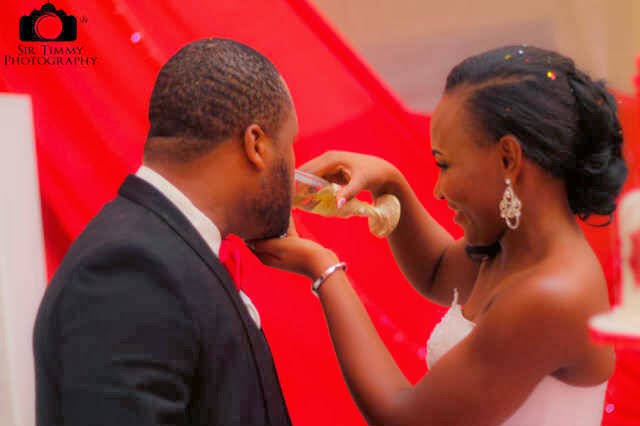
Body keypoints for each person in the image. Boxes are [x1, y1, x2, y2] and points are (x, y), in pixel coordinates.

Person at [253, 45, 627, 426]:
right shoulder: (513, 246)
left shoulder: (551, 296)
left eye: (445, 164)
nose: (438, 189)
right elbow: (437, 271)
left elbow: (403, 418)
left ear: (508, 159)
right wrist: (389, 183)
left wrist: (324, 270)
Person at [33, 38, 297, 426]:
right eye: (290, 145)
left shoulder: (168, 247)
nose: (295, 169)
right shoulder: (128, 271)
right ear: (255, 145)